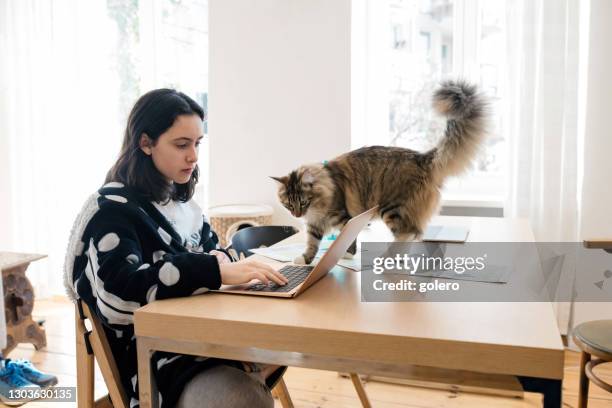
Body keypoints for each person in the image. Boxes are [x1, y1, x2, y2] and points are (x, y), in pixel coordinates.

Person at [63, 89, 289, 408]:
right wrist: (215, 269)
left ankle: (248, 374)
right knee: (246, 397)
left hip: (210, 342)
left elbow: (216, 253)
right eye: (182, 145)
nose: (193, 156)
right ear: (145, 143)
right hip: (158, 364)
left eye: (197, 144)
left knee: (283, 343)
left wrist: (222, 263)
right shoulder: (111, 209)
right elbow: (117, 294)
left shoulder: (182, 206)